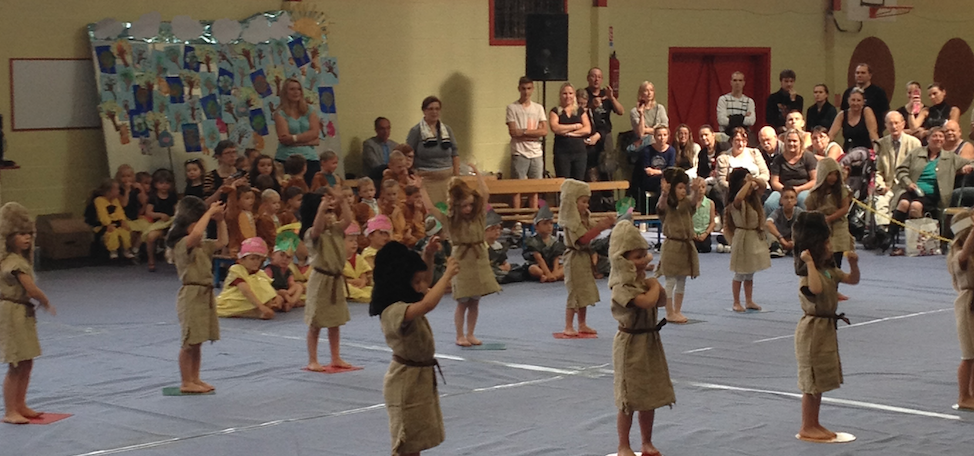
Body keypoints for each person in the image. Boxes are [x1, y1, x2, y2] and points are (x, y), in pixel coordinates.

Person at [370, 241, 459, 456]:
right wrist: (447, 276)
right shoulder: (393, 310)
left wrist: (428, 256)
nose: (423, 285)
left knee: (416, 438)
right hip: (404, 381)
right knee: (406, 439)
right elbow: (427, 304)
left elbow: (425, 282)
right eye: (416, 281)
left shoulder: (406, 296)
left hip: (419, 377)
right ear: (401, 282)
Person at [793, 211, 860, 442]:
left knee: (819, 379)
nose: (830, 247)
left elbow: (852, 280)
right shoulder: (809, 275)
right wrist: (809, 263)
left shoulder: (830, 271)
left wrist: (854, 264)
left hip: (826, 329)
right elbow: (816, 289)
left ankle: (815, 422)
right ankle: (806, 425)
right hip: (812, 331)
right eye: (826, 243)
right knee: (811, 381)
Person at [607, 219, 672, 456]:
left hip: (650, 340)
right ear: (622, 259)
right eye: (637, 256)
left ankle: (646, 441)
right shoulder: (621, 285)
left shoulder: (643, 282)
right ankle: (623, 444)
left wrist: (651, 284)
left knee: (649, 395)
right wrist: (654, 284)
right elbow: (645, 302)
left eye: (645, 255)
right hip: (630, 343)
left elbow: (663, 301)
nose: (643, 260)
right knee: (629, 398)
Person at [0, 202, 55, 423]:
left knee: (26, 361)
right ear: (8, 236)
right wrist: (45, 301)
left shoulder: (18, 260)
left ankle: (20, 403)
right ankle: (10, 410)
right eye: (20, 234)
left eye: (29, 234)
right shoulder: (13, 262)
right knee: (16, 363)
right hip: (12, 314)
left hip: (21, 313)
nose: (26, 239)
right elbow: (31, 289)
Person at [165, 197, 226, 394]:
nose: (201, 229)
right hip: (191, 294)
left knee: (198, 340)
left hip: (204, 293)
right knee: (189, 341)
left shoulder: (202, 245)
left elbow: (223, 242)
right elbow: (197, 232)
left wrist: (220, 220)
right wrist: (208, 213)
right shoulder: (182, 245)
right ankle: (186, 381)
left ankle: (195, 378)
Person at [434, 168, 501, 347]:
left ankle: (471, 333)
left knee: (475, 301)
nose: (468, 208)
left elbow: (485, 193)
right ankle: (459, 335)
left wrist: (477, 173)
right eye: (464, 205)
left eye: (470, 204)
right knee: (462, 301)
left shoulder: (478, 216)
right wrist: (421, 189)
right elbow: (431, 209)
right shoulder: (452, 221)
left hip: (478, 258)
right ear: (457, 205)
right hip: (462, 260)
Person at [889, 127, 973, 256]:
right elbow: (901, 170)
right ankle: (889, 239)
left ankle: (916, 244)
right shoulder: (916, 153)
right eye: (935, 136)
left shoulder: (950, 157)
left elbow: (972, 162)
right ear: (928, 139)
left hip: (931, 195)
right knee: (903, 203)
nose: (938, 139)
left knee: (915, 206)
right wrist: (908, 183)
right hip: (912, 189)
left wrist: (967, 167)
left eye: (941, 136)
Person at [300, 187, 354, 371]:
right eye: (325, 212)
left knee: (335, 321)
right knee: (316, 322)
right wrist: (322, 207)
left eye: (331, 212)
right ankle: (313, 359)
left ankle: (336, 356)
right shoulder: (312, 234)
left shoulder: (336, 230)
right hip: (321, 279)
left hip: (335, 279)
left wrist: (342, 201)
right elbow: (316, 228)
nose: (330, 216)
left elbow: (348, 219)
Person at [560, 179, 615, 336]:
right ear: (572, 202)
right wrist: (600, 227)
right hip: (574, 258)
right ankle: (568, 325)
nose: (587, 205)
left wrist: (606, 222)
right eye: (583, 201)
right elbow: (582, 239)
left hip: (583, 257)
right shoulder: (571, 221)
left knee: (583, 291)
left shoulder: (583, 217)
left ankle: (582, 323)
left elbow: (592, 227)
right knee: (574, 292)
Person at [724, 169, 770, 313]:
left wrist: (753, 180)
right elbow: (739, 197)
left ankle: (749, 300)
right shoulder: (736, 202)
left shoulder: (753, 198)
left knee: (750, 271)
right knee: (740, 272)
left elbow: (763, 186)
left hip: (753, 237)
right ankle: (736, 301)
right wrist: (748, 183)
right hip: (742, 237)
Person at [656, 168, 699, 324]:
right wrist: (665, 193)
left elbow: (694, 203)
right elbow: (660, 207)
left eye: (684, 188)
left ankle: (677, 310)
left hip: (685, 245)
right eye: (680, 188)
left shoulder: (686, 202)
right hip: (672, 246)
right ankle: (669, 311)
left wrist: (695, 191)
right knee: (670, 281)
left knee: (682, 280)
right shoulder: (667, 203)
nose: (683, 191)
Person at [406, 96, 459, 206]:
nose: (434, 112)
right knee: (432, 212)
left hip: (447, 179)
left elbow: (455, 152)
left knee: (448, 210)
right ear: (424, 111)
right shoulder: (416, 131)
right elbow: (408, 154)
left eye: (437, 108)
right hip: (427, 180)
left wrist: (456, 176)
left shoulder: (447, 130)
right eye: (430, 109)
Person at [946, 210, 974, 411]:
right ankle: (964, 395)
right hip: (968, 304)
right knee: (969, 353)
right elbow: (965, 254)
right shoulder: (959, 255)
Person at [506, 76, 548, 209]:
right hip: (519, 152)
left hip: (535, 152)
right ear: (519, 89)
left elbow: (544, 131)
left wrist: (523, 132)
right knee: (516, 188)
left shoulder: (538, 108)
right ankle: (517, 218)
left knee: (534, 188)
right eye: (523, 89)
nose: (526, 92)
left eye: (529, 88)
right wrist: (533, 132)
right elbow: (513, 132)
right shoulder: (512, 108)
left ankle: (533, 217)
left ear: (533, 89)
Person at [874, 111, 922, 226]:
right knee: (881, 202)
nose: (894, 126)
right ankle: (883, 230)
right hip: (888, 186)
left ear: (903, 124)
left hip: (906, 186)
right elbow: (878, 170)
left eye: (896, 123)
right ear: (886, 125)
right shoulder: (881, 144)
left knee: (896, 204)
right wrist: (880, 185)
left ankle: (890, 230)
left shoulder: (914, 143)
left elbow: (917, 170)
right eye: (890, 123)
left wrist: (908, 183)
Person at [216, 238, 281, 318]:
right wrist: (261, 306)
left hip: (250, 300)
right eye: (252, 259)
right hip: (235, 300)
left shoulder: (259, 273)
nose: (256, 262)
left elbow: (268, 288)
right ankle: (252, 312)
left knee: (262, 282)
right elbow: (245, 290)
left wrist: (276, 296)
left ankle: (256, 310)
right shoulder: (236, 270)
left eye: (258, 259)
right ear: (241, 260)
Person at [805, 158, 852, 268]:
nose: (833, 178)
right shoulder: (814, 194)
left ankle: (833, 283)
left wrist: (829, 218)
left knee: (836, 261)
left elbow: (845, 208)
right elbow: (809, 211)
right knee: (822, 260)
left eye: (836, 174)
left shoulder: (841, 190)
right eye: (830, 174)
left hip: (838, 226)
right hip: (820, 228)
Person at [274, 77, 321, 185]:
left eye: (298, 89)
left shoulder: (310, 110)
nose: (296, 92)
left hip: (310, 158)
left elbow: (315, 133)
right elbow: (284, 139)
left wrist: (293, 138)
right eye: (292, 89)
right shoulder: (280, 113)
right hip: (286, 159)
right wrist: (309, 141)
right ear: (285, 92)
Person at [765, 129, 817, 214]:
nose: (791, 143)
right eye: (789, 141)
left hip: (803, 189)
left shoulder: (808, 157)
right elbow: (774, 182)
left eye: (794, 141)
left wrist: (799, 189)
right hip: (782, 190)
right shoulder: (778, 159)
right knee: (769, 204)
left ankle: (802, 225)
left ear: (800, 142)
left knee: (803, 200)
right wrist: (786, 191)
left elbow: (814, 180)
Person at [549, 83, 591, 181]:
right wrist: (575, 126)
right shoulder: (555, 111)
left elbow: (587, 129)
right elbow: (555, 127)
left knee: (579, 183)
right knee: (564, 184)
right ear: (560, 95)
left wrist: (569, 133)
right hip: (562, 153)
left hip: (579, 153)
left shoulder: (580, 111)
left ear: (574, 95)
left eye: (570, 93)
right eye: (565, 93)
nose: (568, 96)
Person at [584, 67, 625, 164]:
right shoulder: (584, 94)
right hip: (590, 133)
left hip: (606, 134)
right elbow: (579, 112)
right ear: (588, 78)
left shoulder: (605, 94)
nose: (596, 79)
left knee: (608, 164)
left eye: (599, 77)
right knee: (591, 166)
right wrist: (592, 106)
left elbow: (621, 111)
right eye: (593, 76)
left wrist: (612, 98)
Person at [89, 179, 136, 260]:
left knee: (125, 231)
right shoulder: (99, 200)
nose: (119, 191)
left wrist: (122, 221)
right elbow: (102, 214)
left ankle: (126, 249)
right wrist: (107, 224)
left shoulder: (115, 200)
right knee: (112, 233)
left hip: (117, 223)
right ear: (109, 191)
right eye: (117, 189)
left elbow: (120, 211)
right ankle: (113, 250)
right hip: (103, 225)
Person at [715, 127, 769, 196]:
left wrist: (753, 184)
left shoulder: (755, 153)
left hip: (758, 189)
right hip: (735, 193)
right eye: (737, 140)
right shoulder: (723, 158)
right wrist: (740, 188)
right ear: (731, 141)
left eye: (744, 141)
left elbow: (765, 174)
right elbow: (721, 181)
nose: (741, 144)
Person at [143, 169, 178, 272]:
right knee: (150, 237)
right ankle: (151, 259)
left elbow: (176, 209)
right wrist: (160, 215)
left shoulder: (172, 196)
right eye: (161, 183)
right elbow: (148, 212)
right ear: (155, 184)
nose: (164, 186)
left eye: (167, 183)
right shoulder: (153, 197)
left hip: (171, 223)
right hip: (159, 224)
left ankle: (177, 259)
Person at [840, 63, 890, 134]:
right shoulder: (848, 92)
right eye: (857, 73)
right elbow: (844, 113)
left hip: (874, 132)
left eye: (863, 73)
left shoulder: (879, 92)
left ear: (870, 75)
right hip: (853, 133)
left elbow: (885, 113)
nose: (859, 75)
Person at [523, 205, 566, 282]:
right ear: (536, 226)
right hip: (539, 266)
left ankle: (553, 276)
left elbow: (556, 258)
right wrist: (548, 273)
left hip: (551, 266)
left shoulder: (555, 240)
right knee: (533, 269)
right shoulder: (533, 241)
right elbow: (539, 259)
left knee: (566, 267)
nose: (549, 226)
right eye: (545, 224)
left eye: (551, 223)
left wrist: (555, 272)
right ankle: (545, 275)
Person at [829, 87, 879, 152]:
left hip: (865, 152)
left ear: (863, 102)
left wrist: (878, 151)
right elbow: (831, 134)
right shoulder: (842, 115)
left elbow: (873, 133)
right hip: (848, 152)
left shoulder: (867, 111)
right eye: (853, 100)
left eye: (858, 100)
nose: (855, 103)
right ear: (848, 101)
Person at [265, 233, 305, 310]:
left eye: (288, 257)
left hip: (286, 292)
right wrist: (278, 293)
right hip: (275, 292)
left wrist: (287, 293)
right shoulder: (269, 269)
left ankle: (291, 302)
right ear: (272, 255)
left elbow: (292, 284)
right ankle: (290, 303)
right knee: (278, 299)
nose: (285, 259)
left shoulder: (288, 271)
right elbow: (266, 286)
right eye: (282, 255)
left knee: (299, 286)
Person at [485, 209, 525, 285]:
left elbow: (503, 261)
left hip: (498, 268)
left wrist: (506, 266)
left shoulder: (498, 245)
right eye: (493, 229)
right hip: (486, 270)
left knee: (518, 267)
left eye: (498, 228)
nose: (497, 231)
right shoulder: (481, 246)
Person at [697, 125, 728, 214]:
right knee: (703, 191)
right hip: (709, 181)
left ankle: (724, 217)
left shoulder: (723, 146)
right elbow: (700, 173)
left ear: (713, 135)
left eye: (706, 135)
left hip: (723, 178)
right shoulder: (702, 153)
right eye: (701, 136)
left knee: (717, 190)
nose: (704, 138)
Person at [766, 186, 803, 257]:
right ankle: (776, 248)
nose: (789, 200)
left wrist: (794, 241)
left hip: (794, 240)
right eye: (786, 198)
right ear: (781, 200)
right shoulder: (777, 212)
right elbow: (768, 223)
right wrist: (781, 239)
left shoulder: (799, 212)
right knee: (767, 230)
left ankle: (795, 248)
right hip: (780, 239)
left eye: (792, 198)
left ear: (796, 201)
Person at [716, 71, 756, 136]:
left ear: (744, 83)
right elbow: (722, 120)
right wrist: (743, 117)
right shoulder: (723, 100)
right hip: (725, 135)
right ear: (731, 82)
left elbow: (751, 121)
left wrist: (730, 117)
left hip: (744, 136)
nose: (737, 83)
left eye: (740, 80)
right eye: (735, 80)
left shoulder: (749, 101)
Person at [342, 223, 373, 303]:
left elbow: (364, 274)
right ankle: (362, 296)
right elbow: (338, 278)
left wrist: (362, 281)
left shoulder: (358, 258)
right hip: (346, 284)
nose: (355, 243)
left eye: (356, 240)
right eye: (351, 241)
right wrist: (351, 282)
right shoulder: (337, 259)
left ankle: (367, 295)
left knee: (371, 289)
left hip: (360, 285)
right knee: (345, 288)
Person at [691, 177, 717, 253]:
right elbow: (686, 221)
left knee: (705, 248)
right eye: (698, 187)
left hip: (704, 233)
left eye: (703, 187)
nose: (701, 190)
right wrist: (693, 233)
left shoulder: (710, 203)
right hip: (692, 233)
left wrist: (705, 234)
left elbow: (712, 222)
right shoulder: (689, 202)